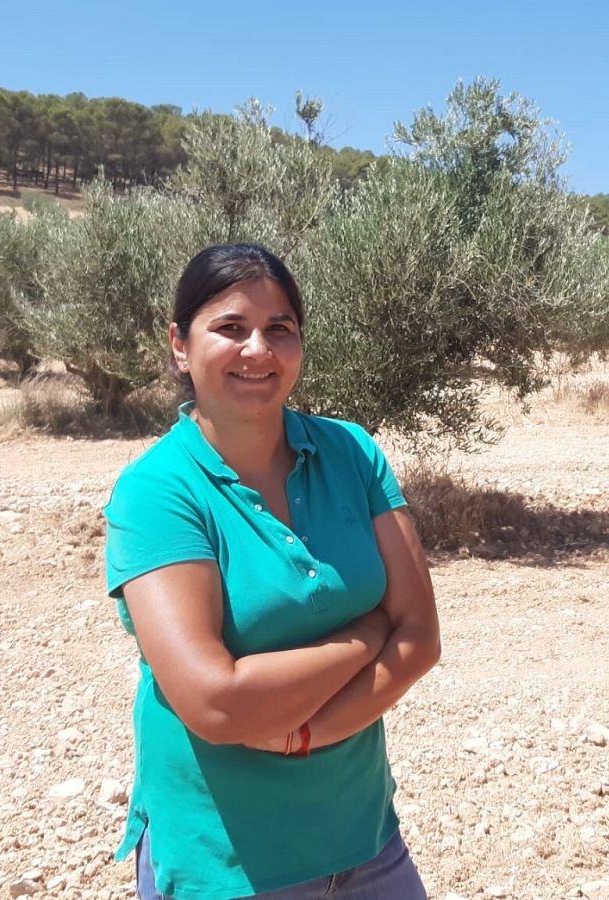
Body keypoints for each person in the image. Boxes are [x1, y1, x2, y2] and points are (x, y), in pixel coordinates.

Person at [103, 243, 440, 899]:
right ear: (180, 345)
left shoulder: (352, 452)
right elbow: (216, 702)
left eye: (278, 330)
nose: (257, 349)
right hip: (225, 866)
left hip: (368, 842)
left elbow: (421, 636)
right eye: (230, 328)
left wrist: (307, 733)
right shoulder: (158, 492)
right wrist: (364, 636)